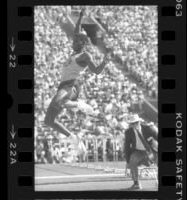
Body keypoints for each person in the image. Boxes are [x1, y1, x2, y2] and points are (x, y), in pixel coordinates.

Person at [44, 8, 110, 139]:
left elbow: (96, 71)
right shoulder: (75, 53)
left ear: (83, 43)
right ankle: (73, 137)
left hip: (71, 86)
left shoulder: (84, 55)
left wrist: (104, 62)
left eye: (76, 42)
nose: (73, 43)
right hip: (63, 87)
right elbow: (76, 31)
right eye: (73, 41)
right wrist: (80, 17)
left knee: (58, 102)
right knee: (48, 121)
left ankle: (79, 105)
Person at [124, 114, 158, 190]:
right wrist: (128, 160)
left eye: (136, 122)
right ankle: (136, 184)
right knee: (132, 160)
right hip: (139, 151)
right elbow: (126, 147)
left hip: (152, 150)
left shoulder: (149, 128)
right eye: (132, 123)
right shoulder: (128, 132)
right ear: (130, 124)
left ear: (139, 122)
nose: (134, 124)